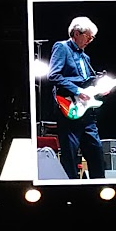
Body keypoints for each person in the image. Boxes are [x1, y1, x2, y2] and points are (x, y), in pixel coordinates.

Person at [48, 16, 106, 180]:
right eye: (88, 36)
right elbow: (53, 75)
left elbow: (87, 84)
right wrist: (77, 90)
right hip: (69, 109)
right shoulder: (62, 47)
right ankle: (71, 191)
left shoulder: (85, 58)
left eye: (92, 38)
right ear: (76, 33)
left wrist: (100, 90)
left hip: (87, 114)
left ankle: (99, 188)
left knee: (97, 155)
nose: (90, 40)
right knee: (70, 158)